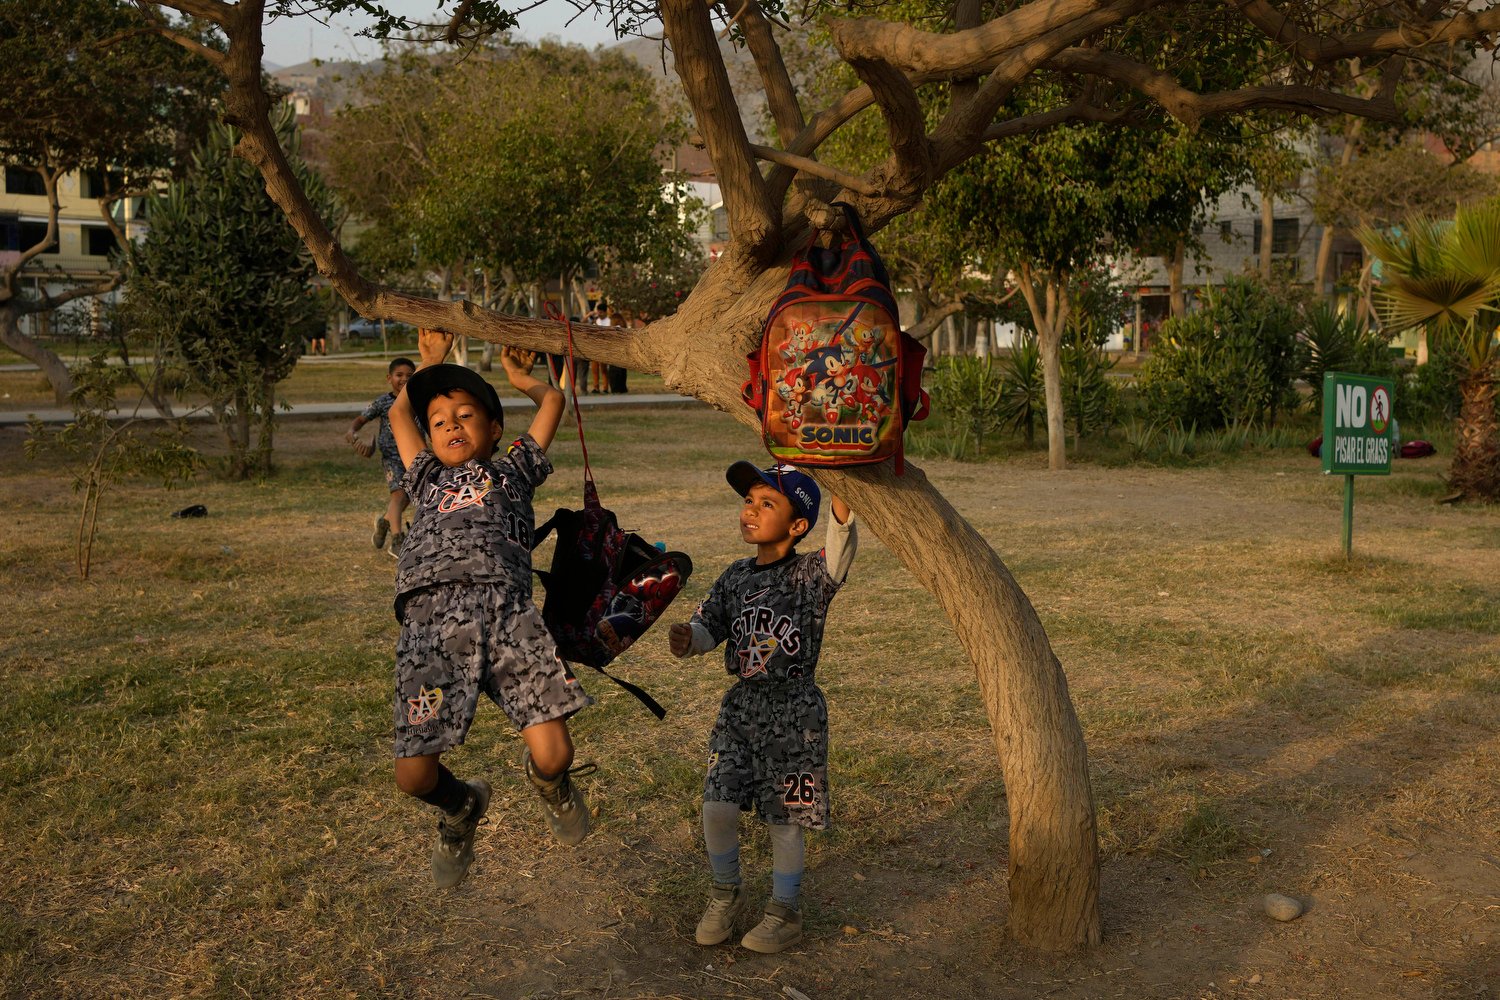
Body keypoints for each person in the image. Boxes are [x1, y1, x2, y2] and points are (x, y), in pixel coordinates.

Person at [386, 327, 594, 889]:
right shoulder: (426, 479)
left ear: (495, 430)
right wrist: (427, 363)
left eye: (466, 414)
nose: (452, 423)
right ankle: (460, 808)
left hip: (507, 618)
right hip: (431, 627)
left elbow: (553, 402)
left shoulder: (513, 471)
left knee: (555, 754)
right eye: (440, 420)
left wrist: (523, 380)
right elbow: (399, 420)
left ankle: (550, 786)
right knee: (413, 775)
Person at [668, 462, 856, 953]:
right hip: (742, 710)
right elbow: (709, 629)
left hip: (794, 714)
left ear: (797, 526)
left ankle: (784, 911)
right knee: (717, 802)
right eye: (749, 501)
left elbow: (840, 536)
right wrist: (689, 640)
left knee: (785, 816)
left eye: (766, 503)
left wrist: (836, 472)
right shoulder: (735, 577)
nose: (751, 510)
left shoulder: (812, 574)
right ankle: (724, 894)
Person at [346, 357, 416, 557]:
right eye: (399, 375)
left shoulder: (419, 400)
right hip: (391, 457)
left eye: (410, 376)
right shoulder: (383, 402)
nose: (404, 379)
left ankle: (384, 522)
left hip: (413, 456)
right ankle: (397, 540)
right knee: (399, 495)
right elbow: (359, 420)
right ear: (389, 378)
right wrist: (352, 433)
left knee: (408, 498)